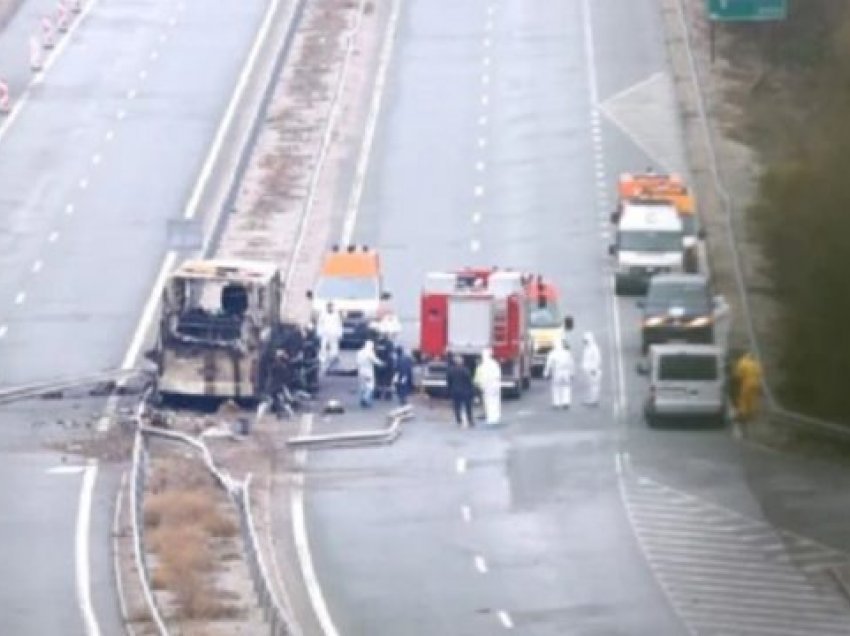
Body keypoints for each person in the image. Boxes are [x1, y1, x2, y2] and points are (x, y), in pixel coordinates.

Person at [544, 339, 574, 409]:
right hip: (566, 372)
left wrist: (546, 373)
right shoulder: (567, 353)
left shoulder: (552, 353)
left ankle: (556, 403)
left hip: (557, 372)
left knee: (556, 387)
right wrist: (572, 373)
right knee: (566, 387)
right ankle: (566, 402)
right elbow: (571, 363)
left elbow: (549, 364)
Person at [475, 348, 502, 425]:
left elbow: (480, 377)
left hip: (488, 385)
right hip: (495, 385)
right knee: (495, 401)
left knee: (489, 402)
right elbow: (498, 374)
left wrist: (480, 385)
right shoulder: (494, 364)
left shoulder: (483, 365)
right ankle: (495, 416)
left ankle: (491, 418)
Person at [446, 354, 474, 427]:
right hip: (465, 391)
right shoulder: (466, 370)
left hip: (455, 390)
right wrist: (472, 390)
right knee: (468, 407)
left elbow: (449, 381)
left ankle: (459, 420)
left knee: (456, 406)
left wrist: (449, 390)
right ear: (462, 362)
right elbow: (469, 381)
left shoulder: (450, 370)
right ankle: (470, 420)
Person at [734, 352, 762, 422]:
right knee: (752, 399)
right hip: (756, 383)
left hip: (746, 383)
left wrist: (737, 382)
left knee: (743, 399)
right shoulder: (755, 363)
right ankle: (751, 414)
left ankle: (743, 415)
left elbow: (738, 375)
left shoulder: (742, 362)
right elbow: (760, 373)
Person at [316, 302, 343, 373]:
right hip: (325, 333)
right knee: (323, 346)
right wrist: (319, 333)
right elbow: (320, 324)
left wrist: (339, 334)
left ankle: (333, 359)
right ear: (327, 307)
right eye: (329, 307)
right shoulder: (323, 314)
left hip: (334, 333)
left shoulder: (336, 315)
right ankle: (322, 360)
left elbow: (339, 324)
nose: (330, 308)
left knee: (334, 347)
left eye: (331, 307)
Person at [355, 339, 382, 408]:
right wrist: (381, 364)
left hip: (361, 371)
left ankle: (361, 400)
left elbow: (357, 362)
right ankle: (366, 398)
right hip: (368, 372)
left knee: (363, 386)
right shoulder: (370, 353)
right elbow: (375, 360)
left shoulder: (360, 352)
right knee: (370, 386)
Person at [581, 332, 602, 406]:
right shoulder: (587, 348)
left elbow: (597, 359)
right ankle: (591, 399)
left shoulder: (594, 348)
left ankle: (594, 400)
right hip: (589, 371)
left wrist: (594, 369)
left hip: (593, 370)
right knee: (591, 385)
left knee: (594, 385)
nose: (584, 342)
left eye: (586, 340)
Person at [374, 332, 396, 400]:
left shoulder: (377, 343)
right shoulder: (389, 343)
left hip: (378, 365)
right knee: (387, 381)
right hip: (387, 365)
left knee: (379, 380)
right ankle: (387, 395)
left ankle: (378, 394)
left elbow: (375, 354)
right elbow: (391, 354)